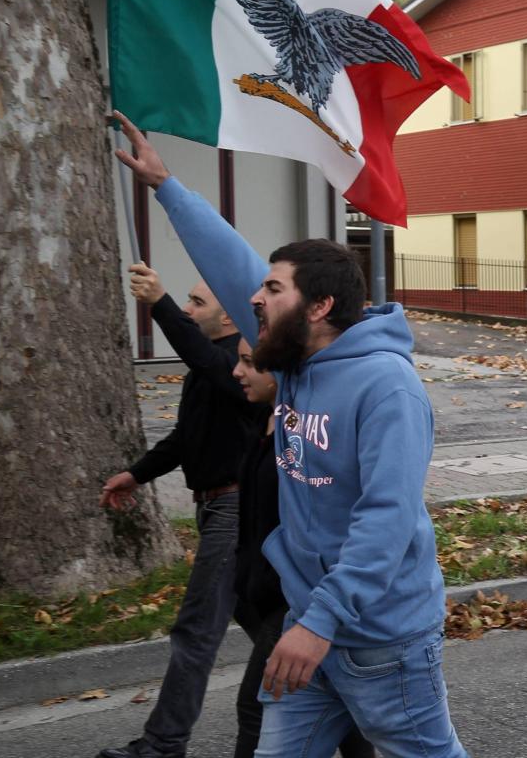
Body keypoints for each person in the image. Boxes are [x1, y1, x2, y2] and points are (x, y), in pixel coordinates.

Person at [114, 111, 468, 758]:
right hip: (309, 629)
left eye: (273, 289)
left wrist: (321, 624)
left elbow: (386, 520)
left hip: (381, 636)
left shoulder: (387, 387)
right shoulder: (297, 358)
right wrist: (167, 186)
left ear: (320, 306)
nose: (254, 297)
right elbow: (231, 266)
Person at [98, 265, 262, 758]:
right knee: (275, 633)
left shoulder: (240, 369)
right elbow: (184, 437)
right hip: (215, 510)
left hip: (235, 512)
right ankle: (340, 706)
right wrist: (136, 474)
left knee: (195, 630)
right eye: (186, 303)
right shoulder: (208, 369)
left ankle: (162, 745)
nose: (189, 311)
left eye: (197, 303)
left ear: (230, 319)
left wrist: (160, 303)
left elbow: (204, 358)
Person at [231, 339, 374, 758]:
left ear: (279, 373)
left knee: (257, 706)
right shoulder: (264, 422)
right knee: (343, 710)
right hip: (262, 598)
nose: (237, 372)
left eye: (247, 362)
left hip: (296, 600)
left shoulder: (307, 437)